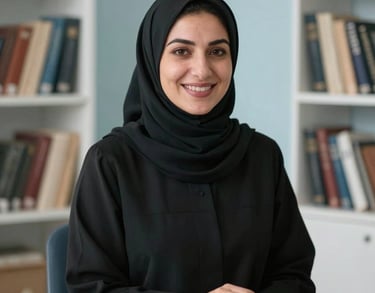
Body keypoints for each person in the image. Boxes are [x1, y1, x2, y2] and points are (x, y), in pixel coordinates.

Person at [66, 0, 316, 292]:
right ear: (152, 59)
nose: (202, 70)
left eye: (217, 52)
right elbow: (90, 287)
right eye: (181, 51)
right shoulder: (111, 162)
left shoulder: (262, 156)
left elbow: (295, 276)